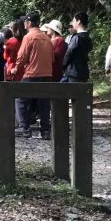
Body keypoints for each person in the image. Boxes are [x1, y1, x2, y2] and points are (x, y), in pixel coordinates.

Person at [16, 11, 54, 139]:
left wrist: (16, 68)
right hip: (47, 74)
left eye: (25, 21)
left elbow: (21, 57)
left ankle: (24, 128)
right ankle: (45, 131)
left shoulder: (28, 37)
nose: (24, 23)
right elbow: (52, 58)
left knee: (20, 99)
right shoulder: (47, 38)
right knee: (44, 103)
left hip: (32, 74)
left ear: (29, 23)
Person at [61, 11, 93, 82]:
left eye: (73, 21)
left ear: (78, 21)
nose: (72, 23)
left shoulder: (77, 37)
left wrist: (63, 66)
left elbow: (69, 53)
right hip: (84, 72)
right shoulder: (88, 38)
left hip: (74, 73)